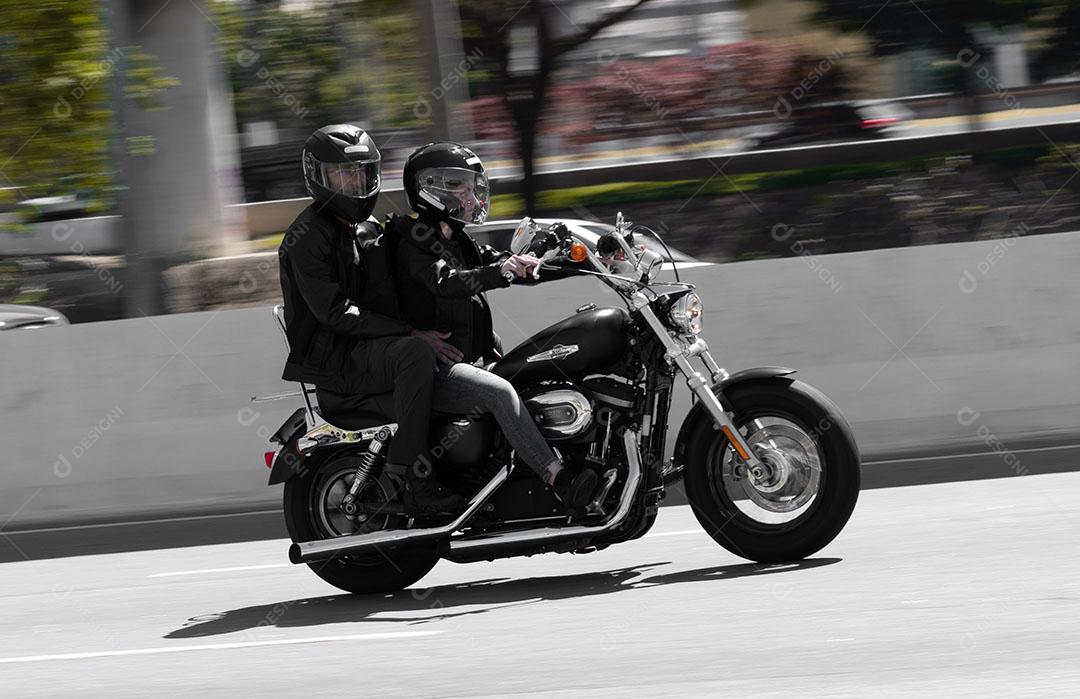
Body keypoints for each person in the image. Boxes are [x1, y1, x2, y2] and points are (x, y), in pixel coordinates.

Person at [388, 141, 601, 515]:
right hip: (434, 370)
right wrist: (499, 272)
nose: (471, 196)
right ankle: (557, 478)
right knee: (500, 392)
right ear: (430, 188)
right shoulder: (413, 239)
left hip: (468, 357)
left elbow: (500, 262)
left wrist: (575, 263)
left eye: (473, 187)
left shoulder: (455, 237)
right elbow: (446, 282)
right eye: (460, 187)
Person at [277, 124, 464, 516]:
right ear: (318, 176)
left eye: (363, 173)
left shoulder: (359, 229)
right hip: (335, 360)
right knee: (414, 353)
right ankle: (413, 477)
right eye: (344, 174)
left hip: (363, 347)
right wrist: (411, 332)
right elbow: (334, 312)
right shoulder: (307, 236)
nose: (356, 183)